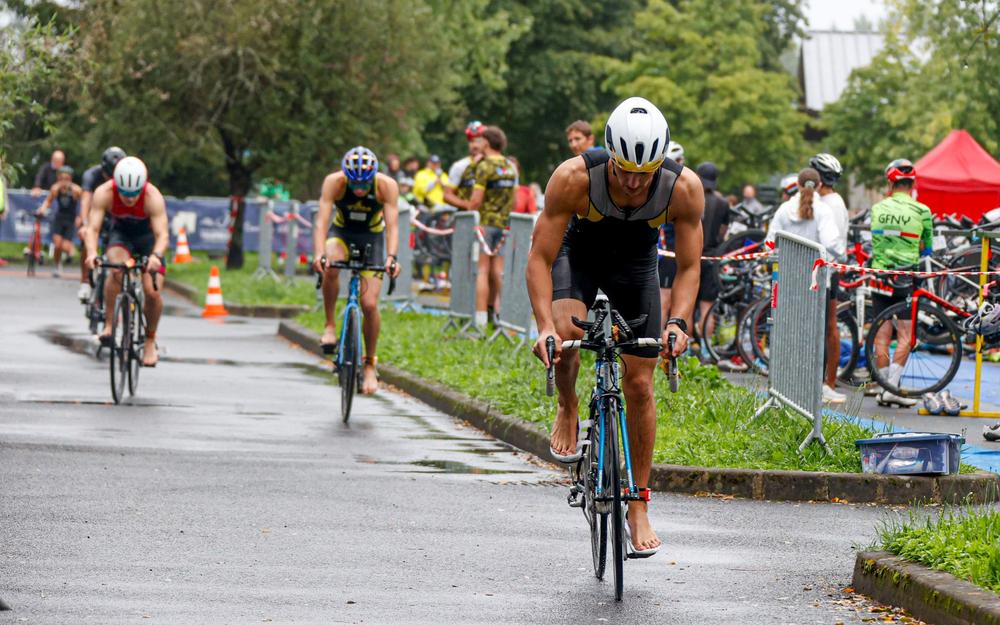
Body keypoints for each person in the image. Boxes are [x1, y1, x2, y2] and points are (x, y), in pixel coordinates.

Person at [527, 97, 704, 556]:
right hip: (577, 254)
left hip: (635, 264)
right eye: (623, 169)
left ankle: (639, 503)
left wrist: (680, 323)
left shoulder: (683, 188)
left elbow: (688, 267)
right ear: (609, 155)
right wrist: (545, 324)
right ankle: (568, 406)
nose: (631, 181)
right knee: (566, 338)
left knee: (641, 384)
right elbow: (540, 258)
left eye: (643, 174)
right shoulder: (573, 178)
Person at [312, 147, 402, 395]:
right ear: (346, 176)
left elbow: (392, 226)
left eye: (365, 183)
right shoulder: (334, 182)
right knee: (330, 263)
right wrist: (318, 253)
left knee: (370, 305)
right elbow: (321, 222)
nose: (360, 189)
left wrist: (392, 258)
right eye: (355, 183)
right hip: (341, 233)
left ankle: (370, 363)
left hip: (372, 238)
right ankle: (330, 326)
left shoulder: (386, 186)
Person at [765, 168, 846, 403]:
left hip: (790, 281)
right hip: (816, 282)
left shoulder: (783, 210)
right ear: (819, 185)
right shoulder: (824, 210)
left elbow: (770, 243)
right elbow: (834, 245)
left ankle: (785, 387)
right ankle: (815, 387)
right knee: (814, 334)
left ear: (798, 185)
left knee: (789, 333)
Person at [84, 157, 168, 367]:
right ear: (116, 185)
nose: (130, 199)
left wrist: (156, 256)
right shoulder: (104, 193)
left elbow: (163, 234)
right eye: (125, 193)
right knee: (116, 269)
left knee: (152, 292)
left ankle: (150, 340)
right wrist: (92, 253)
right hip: (121, 235)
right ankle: (110, 325)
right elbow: (92, 229)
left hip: (148, 239)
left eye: (134, 194)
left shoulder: (152, 197)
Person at [869, 159, 934, 408]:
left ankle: (884, 388)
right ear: (912, 183)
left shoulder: (877, 209)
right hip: (907, 276)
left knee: (881, 332)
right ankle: (892, 389)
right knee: (906, 334)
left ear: (890, 182)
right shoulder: (922, 211)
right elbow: (926, 248)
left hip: (880, 275)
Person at [448, 126, 517, 327]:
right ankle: (501, 317)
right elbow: (514, 200)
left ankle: (479, 320)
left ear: (486, 143)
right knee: (499, 272)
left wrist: (470, 210)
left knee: (482, 271)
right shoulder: (509, 166)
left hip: (485, 225)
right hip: (503, 226)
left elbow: (475, 201)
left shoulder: (484, 166)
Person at [809, 153, 849, 402]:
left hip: (826, 272)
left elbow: (831, 242)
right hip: (826, 270)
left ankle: (829, 382)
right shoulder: (832, 201)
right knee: (827, 326)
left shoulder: (831, 204)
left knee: (828, 326)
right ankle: (827, 381)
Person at [77, 147, 127, 301]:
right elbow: (86, 200)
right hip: (96, 212)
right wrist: (85, 223)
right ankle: (85, 281)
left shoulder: (124, 176)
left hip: (116, 215)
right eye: (108, 175)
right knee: (88, 237)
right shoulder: (91, 175)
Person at [694, 162, 730, 346]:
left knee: (688, 303)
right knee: (707, 306)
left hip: (691, 256)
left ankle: (687, 348)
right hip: (712, 257)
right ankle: (707, 348)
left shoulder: (691, 196)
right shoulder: (723, 203)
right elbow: (723, 232)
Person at [657, 142, 686, 326]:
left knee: (673, 299)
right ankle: (657, 339)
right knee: (665, 299)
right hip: (667, 253)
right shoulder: (668, 188)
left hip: (673, 252)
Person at [37, 166, 82, 278]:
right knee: (57, 244)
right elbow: (48, 201)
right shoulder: (55, 188)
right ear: (58, 178)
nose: (64, 181)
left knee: (66, 247)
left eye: (66, 178)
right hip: (59, 218)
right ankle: (57, 265)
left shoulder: (76, 190)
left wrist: (80, 217)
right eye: (61, 178)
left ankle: (70, 253)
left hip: (70, 219)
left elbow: (84, 204)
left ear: (70, 178)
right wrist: (42, 210)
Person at [443, 121, 486, 210]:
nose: (474, 145)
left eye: (478, 141)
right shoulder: (460, 166)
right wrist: (466, 205)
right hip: (467, 219)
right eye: (471, 141)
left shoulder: (496, 164)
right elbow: (447, 195)